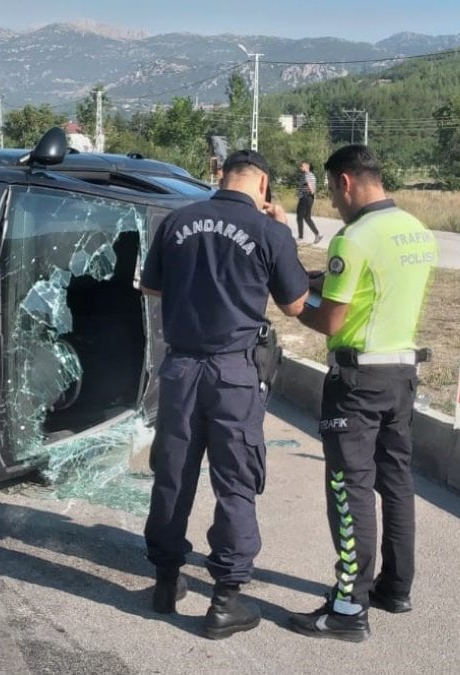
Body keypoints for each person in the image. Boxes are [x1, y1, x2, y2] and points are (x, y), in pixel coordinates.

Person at [140, 149, 309, 640]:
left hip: (181, 368)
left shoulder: (177, 222)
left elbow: (151, 288)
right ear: (262, 185)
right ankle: (225, 601)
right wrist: (280, 233)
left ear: (222, 177)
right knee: (235, 482)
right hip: (233, 374)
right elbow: (295, 304)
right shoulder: (268, 231)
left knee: (173, 474)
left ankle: (166, 582)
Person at [289, 144, 437, 642]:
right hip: (401, 376)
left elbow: (331, 318)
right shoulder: (416, 231)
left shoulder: (352, 239)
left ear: (345, 182)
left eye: (332, 191)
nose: (333, 201)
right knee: (395, 482)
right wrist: (323, 279)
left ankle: (349, 608)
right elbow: (380, 290)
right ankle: (395, 588)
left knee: (349, 489)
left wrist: (293, 305)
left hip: (356, 383)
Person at [296, 161, 322, 244]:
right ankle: (317, 235)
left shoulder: (307, 175)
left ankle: (300, 237)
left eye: (302, 166)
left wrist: (309, 191)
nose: (300, 168)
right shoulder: (312, 175)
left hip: (305, 198)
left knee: (299, 217)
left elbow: (311, 188)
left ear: (307, 167)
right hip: (310, 198)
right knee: (307, 217)